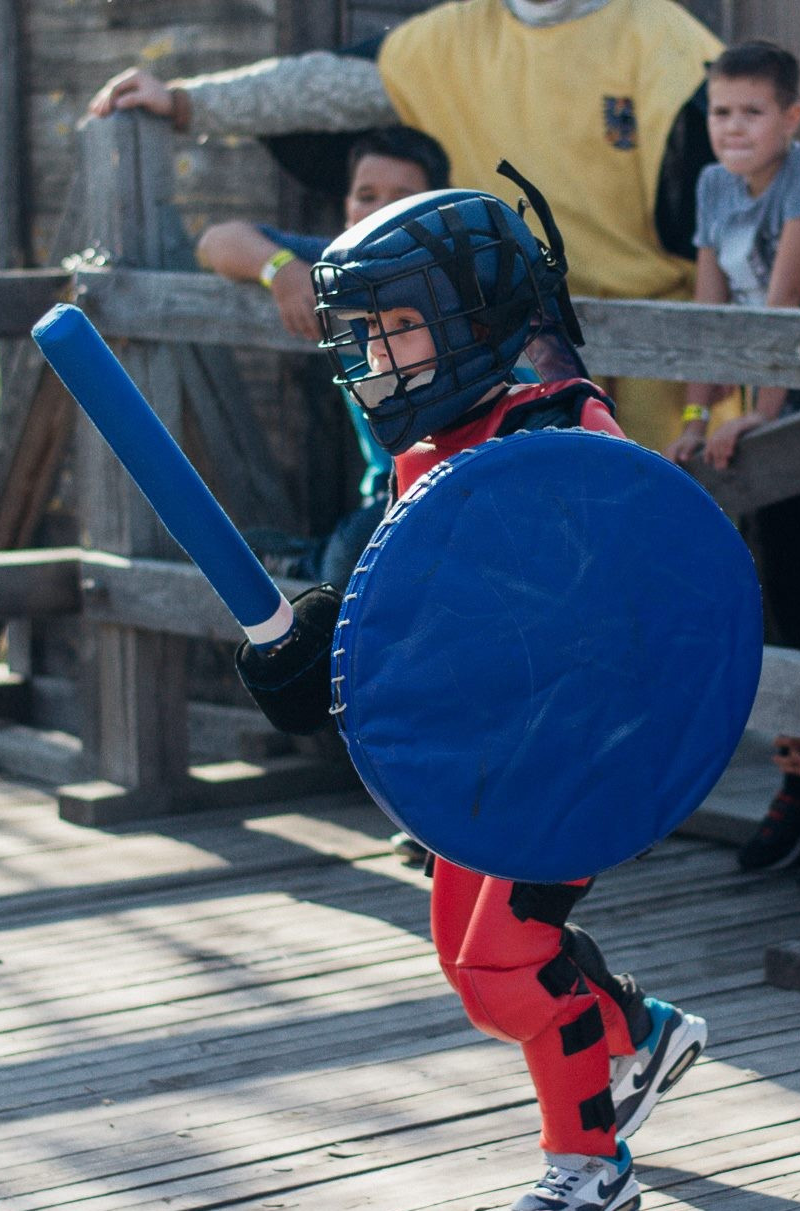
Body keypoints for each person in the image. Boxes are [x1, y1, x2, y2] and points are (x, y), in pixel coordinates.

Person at [286, 182, 709, 1211]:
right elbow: (417, 622)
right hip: (486, 757)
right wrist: (315, 647)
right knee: (477, 977)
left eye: (399, 326)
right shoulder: (418, 460)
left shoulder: (565, 421)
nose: (379, 355)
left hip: (582, 745)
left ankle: (590, 1168)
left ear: (472, 319)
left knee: (510, 962)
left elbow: (636, 582)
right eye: (365, 333)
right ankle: (642, 1031)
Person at [86, 0, 724, 451]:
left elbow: (730, 208)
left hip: (657, 354)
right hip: (502, 340)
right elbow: (320, 87)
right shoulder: (452, 39)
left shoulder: (665, 40)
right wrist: (186, 101)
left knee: (659, 535)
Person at [661, 41, 800, 877]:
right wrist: (698, 415)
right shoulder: (714, 186)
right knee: (774, 587)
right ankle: (799, 780)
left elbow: (786, 303)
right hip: (763, 396)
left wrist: (763, 414)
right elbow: (711, 309)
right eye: (721, 112)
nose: (733, 128)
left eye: (752, 112)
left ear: (791, 118)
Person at [195, 126, 451, 593]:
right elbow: (216, 241)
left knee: (356, 565)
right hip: (386, 498)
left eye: (402, 198)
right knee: (330, 552)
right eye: (366, 196)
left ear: (436, 210)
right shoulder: (338, 267)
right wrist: (280, 270)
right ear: (347, 207)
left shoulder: (459, 276)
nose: (379, 211)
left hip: (456, 484)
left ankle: (308, 564)